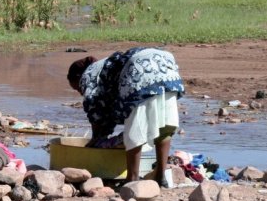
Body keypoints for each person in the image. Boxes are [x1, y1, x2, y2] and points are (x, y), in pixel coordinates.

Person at [67, 47, 184, 184]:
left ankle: (132, 178)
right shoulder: (104, 66)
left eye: (76, 88)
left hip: (140, 71)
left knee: (135, 130)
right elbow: (106, 104)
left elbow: (94, 106)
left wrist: (96, 138)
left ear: (78, 78)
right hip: (165, 64)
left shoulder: (89, 74)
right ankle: (160, 176)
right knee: (164, 126)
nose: (80, 92)